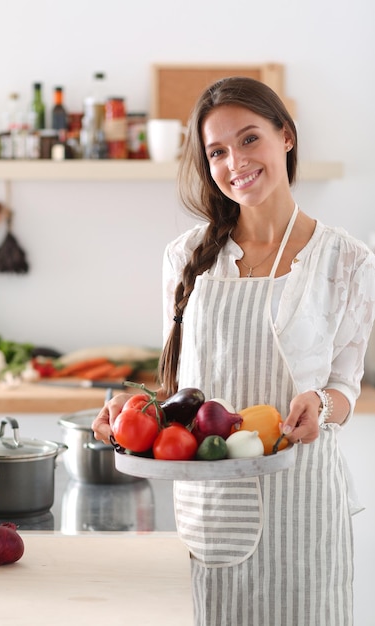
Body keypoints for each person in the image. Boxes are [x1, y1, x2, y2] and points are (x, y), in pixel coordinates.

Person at [92, 76, 375, 626]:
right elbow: (177, 388)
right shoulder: (186, 256)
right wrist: (129, 415)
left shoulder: (347, 260)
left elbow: (346, 385)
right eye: (216, 151)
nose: (234, 162)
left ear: (286, 137)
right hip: (211, 500)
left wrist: (321, 404)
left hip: (303, 502)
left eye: (249, 139)